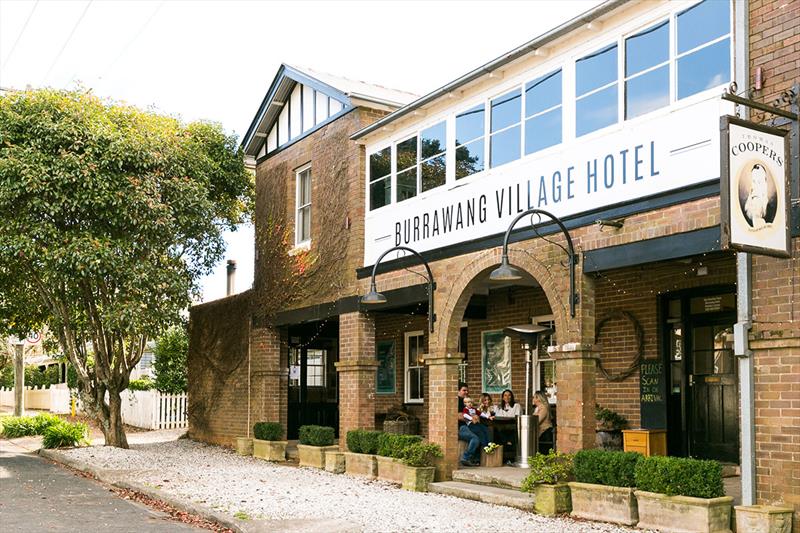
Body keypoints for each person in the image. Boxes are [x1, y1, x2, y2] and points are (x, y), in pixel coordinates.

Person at [457, 383, 490, 467]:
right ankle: (465, 457)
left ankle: (477, 459)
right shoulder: (456, 402)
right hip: (461, 427)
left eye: (467, 390)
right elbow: (459, 416)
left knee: (483, 432)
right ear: (458, 391)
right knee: (475, 438)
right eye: (464, 390)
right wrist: (473, 417)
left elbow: (476, 414)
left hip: (470, 426)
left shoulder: (467, 401)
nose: (466, 392)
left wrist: (475, 416)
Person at [493, 389, 520, 462]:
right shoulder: (500, 407)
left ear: (512, 397)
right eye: (505, 395)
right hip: (502, 426)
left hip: (513, 426)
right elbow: (497, 416)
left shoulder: (516, 406)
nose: (507, 397)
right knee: (496, 430)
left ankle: (507, 444)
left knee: (503, 431)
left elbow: (516, 417)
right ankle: (506, 444)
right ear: (502, 398)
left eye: (509, 395)